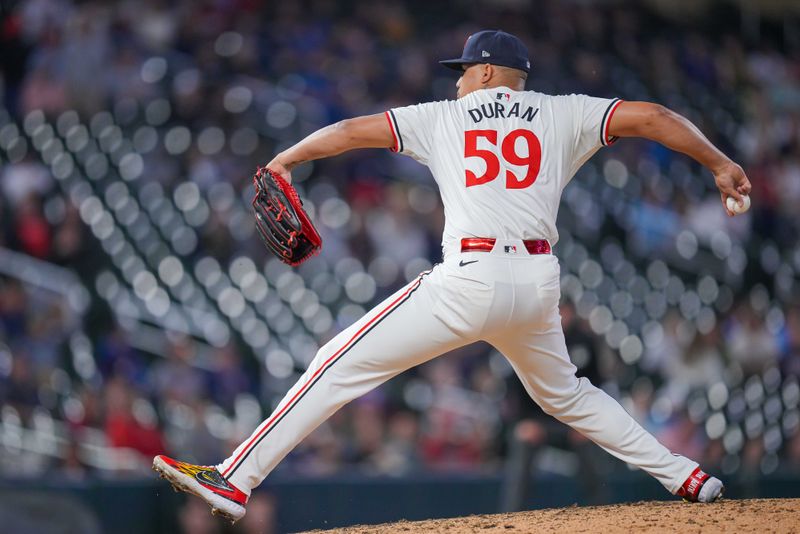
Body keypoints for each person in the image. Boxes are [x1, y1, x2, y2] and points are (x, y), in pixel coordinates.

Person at [153, 30, 750, 523]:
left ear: (489, 73)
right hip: (539, 281)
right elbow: (654, 116)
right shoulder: (567, 112)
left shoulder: (444, 117)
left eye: (465, 69)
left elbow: (351, 131)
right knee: (567, 394)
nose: (458, 78)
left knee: (337, 362)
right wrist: (719, 164)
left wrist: (288, 158)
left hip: (472, 278)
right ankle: (689, 477)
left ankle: (234, 478)